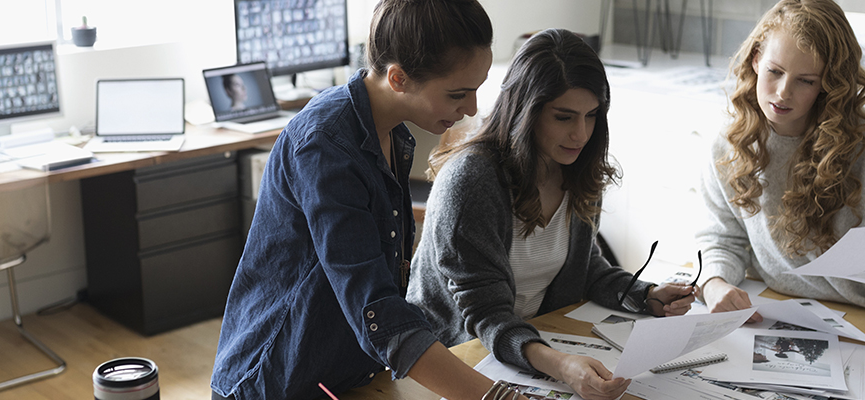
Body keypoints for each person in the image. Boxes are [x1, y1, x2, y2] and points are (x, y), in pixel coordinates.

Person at [211, 1, 519, 399]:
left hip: (346, 375)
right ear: (398, 78)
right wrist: (499, 396)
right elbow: (375, 306)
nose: (472, 108)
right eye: (459, 94)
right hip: (276, 379)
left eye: (477, 90)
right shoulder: (325, 145)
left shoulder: (393, 133)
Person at [407, 28, 697, 400]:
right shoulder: (472, 181)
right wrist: (561, 364)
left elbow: (585, 269)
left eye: (592, 116)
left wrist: (646, 295)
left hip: (531, 346)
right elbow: (485, 318)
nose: (581, 133)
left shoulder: (574, 168)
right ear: (525, 111)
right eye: (564, 117)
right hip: (459, 363)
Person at [696, 0, 865, 328]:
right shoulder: (730, 144)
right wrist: (713, 284)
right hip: (789, 312)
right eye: (775, 71)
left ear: (829, 83)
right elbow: (723, 239)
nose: (783, 92)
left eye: (806, 81)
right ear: (756, 60)